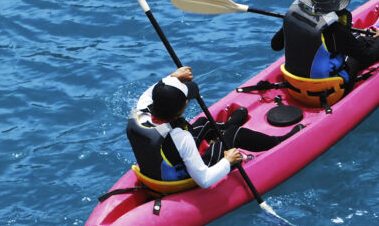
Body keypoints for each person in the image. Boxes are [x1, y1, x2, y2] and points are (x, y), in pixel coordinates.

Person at [126, 66, 301, 189]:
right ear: (182, 107)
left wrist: (172, 77)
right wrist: (228, 161)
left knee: (204, 123)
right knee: (233, 136)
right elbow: (204, 180)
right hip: (180, 181)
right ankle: (280, 141)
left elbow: (152, 92)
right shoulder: (181, 137)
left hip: (156, 171)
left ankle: (228, 123)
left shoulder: (140, 112)